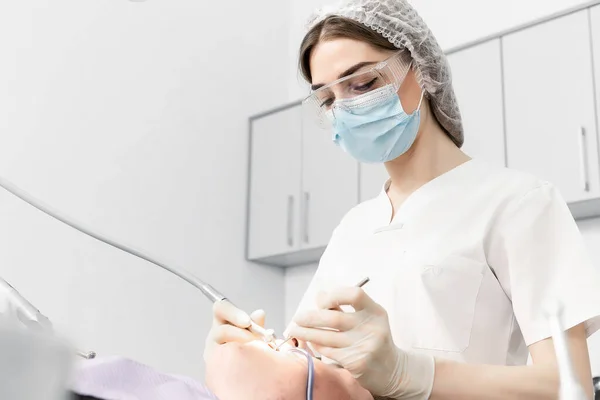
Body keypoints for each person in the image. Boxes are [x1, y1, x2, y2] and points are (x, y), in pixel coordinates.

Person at [205, 0, 600, 399]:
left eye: (362, 84)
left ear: (421, 66)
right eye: (327, 100)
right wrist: (252, 351)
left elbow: (571, 386)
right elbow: (311, 366)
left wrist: (411, 374)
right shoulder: (352, 228)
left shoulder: (518, 203)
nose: (346, 108)